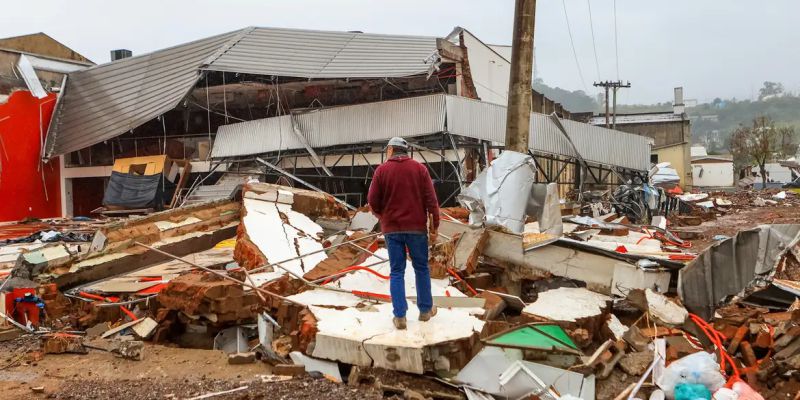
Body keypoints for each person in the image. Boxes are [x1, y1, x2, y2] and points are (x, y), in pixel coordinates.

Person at [367, 137, 440, 330]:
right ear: (405, 151)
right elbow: (432, 202)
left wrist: (383, 216)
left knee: (397, 271)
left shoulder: (381, 171)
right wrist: (435, 227)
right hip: (416, 228)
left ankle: (400, 316)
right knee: (421, 268)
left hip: (392, 230)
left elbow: (372, 200)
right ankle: (425, 311)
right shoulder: (420, 169)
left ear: (391, 150)